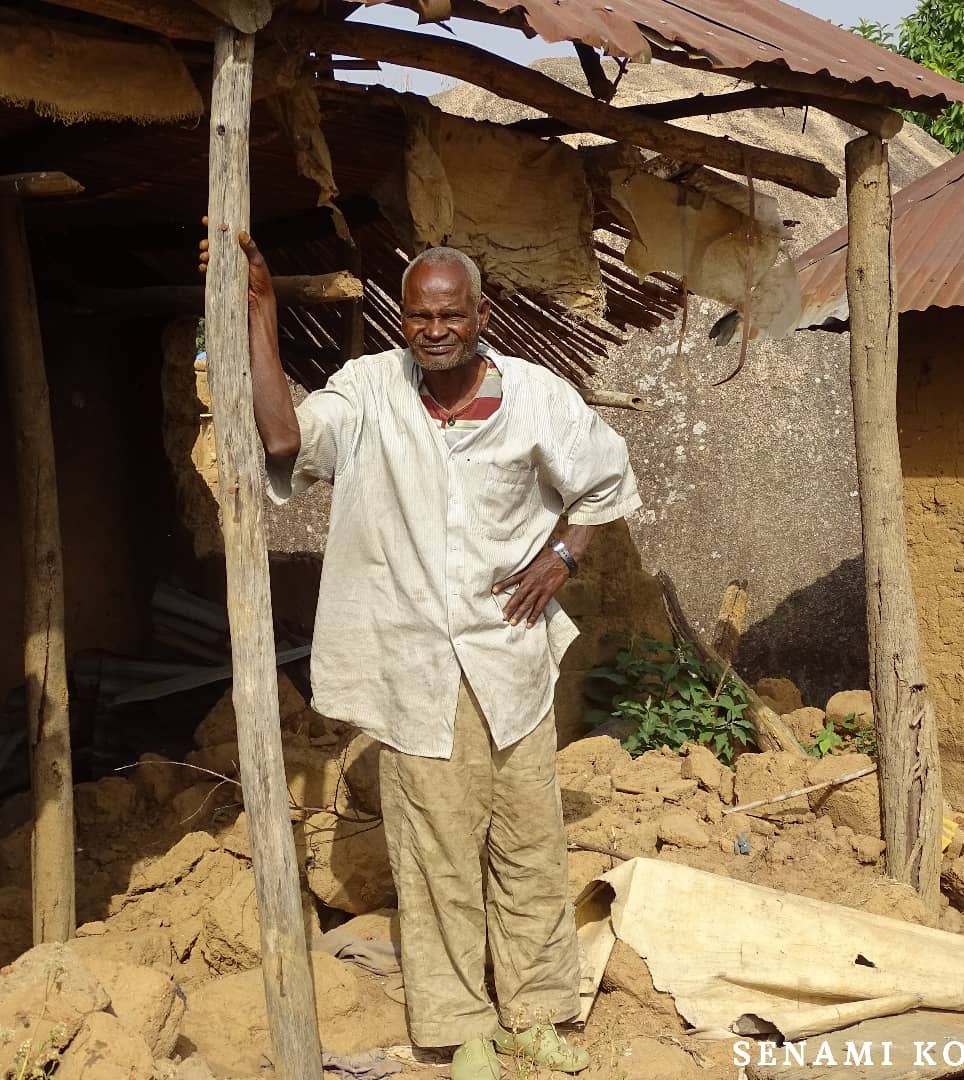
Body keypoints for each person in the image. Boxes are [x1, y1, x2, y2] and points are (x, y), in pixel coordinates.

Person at [199, 229, 641, 1080]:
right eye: (418, 315)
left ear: (481, 315)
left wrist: (565, 557)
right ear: (401, 319)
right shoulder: (368, 392)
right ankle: (462, 1028)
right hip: (414, 673)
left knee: (528, 843)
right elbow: (287, 440)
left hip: (511, 660)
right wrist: (259, 312)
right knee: (435, 853)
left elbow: (602, 480)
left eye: (450, 314)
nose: (434, 329)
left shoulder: (538, 398)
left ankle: (540, 1012)